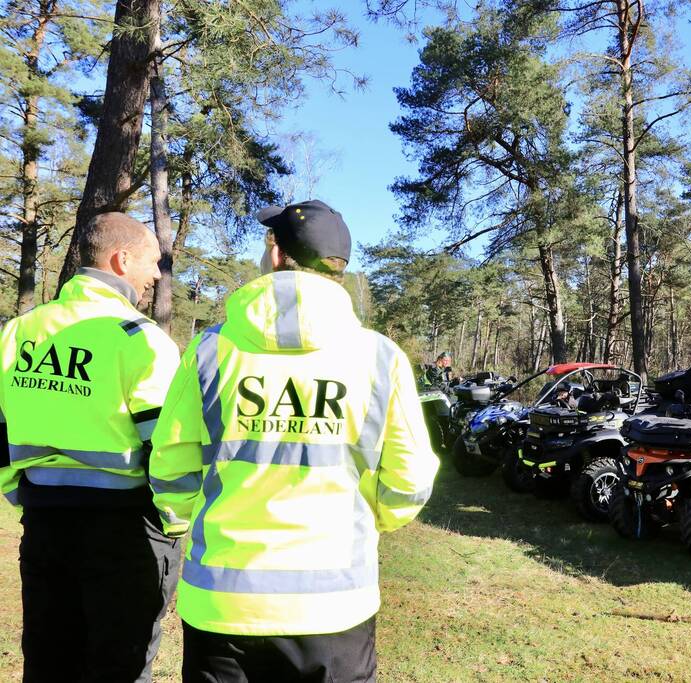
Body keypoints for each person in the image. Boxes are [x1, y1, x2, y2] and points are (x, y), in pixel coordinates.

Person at [149, 199, 440, 683]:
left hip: (224, 601)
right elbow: (409, 481)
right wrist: (369, 521)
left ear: (279, 256)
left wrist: (180, 520)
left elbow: (171, 467)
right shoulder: (379, 358)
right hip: (334, 605)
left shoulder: (210, 351)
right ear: (338, 271)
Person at [0, 212, 181, 682]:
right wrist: (174, 523)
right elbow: (167, 447)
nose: (157, 275)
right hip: (125, 530)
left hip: (43, 523)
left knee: (49, 658)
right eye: (153, 262)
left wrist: (19, 493)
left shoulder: (20, 332)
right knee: (117, 665)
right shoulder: (141, 340)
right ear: (121, 260)